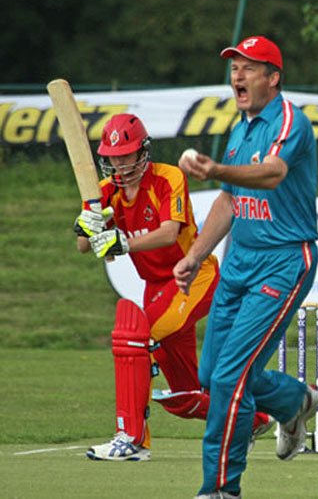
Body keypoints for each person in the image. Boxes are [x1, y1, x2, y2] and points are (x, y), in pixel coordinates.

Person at [75, 113, 272, 461]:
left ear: (142, 152)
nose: (119, 164)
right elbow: (83, 248)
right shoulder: (106, 192)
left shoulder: (168, 178)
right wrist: (85, 226)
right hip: (155, 287)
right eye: (113, 157)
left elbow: (168, 232)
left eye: (126, 155)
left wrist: (121, 243)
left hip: (191, 277)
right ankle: (252, 420)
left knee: (137, 339)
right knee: (185, 397)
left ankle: (132, 439)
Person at [174, 35, 318, 499]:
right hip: (238, 263)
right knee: (213, 372)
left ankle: (220, 488)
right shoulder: (241, 126)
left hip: (282, 261)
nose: (237, 75)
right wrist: (195, 255)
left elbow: (274, 172)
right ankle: (295, 401)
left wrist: (216, 169)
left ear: (272, 78)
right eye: (234, 67)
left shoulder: (289, 120)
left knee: (231, 378)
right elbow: (230, 201)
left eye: (249, 67)